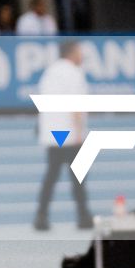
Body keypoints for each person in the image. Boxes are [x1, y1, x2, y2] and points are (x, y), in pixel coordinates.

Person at [32, 41, 93, 232]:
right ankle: (83, 216)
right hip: (69, 132)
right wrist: (78, 132)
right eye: (79, 51)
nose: (82, 56)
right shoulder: (74, 73)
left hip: (53, 132)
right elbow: (76, 103)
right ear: (71, 53)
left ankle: (41, 215)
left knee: (51, 175)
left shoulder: (49, 72)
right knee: (78, 177)